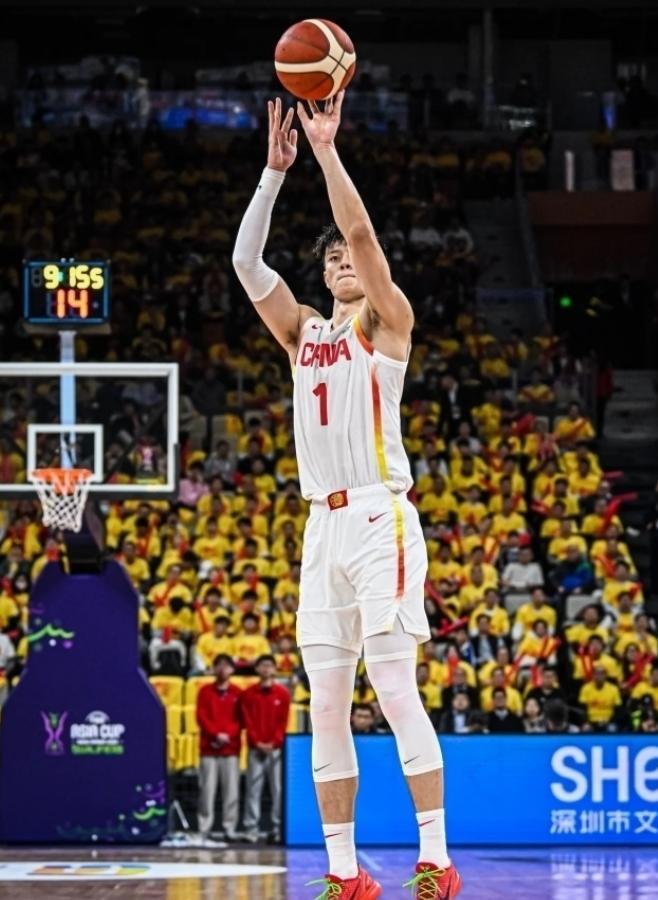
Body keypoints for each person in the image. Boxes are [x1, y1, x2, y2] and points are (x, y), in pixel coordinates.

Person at [233, 95, 461, 898]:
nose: (340, 259)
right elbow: (246, 266)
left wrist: (326, 152)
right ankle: (343, 872)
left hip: (378, 514)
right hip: (320, 527)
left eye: (347, 256)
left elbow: (360, 234)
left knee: (393, 688)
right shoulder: (303, 332)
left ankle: (435, 859)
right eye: (328, 257)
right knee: (326, 704)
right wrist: (273, 174)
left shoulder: (386, 322)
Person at [241, 654, 291, 844]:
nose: (266, 668)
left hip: (276, 750)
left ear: (274, 669)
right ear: (256, 669)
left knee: (278, 790)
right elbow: (248, 721)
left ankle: (278, 829)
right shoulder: (248, 694)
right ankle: (251, 829)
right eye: (262, 665)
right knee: (253, 790)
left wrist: (274, 742)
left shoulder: (283, 694)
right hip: (256, 749)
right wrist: (257, 742)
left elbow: (283, 722)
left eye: (269, 665)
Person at [196, 654, 242, 844]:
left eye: (226, 665)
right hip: (209, 748)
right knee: (206, 791)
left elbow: (241, 720)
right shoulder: (204, 691)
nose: (223, 669)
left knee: (231, 791)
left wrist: (227, 736)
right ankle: (204, 828)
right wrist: (216, 735)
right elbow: (201, 716)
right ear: (214, 669)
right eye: (219, 665)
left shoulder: (238, 693)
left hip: (231, 749)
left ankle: (229, 828)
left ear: (232, 669)